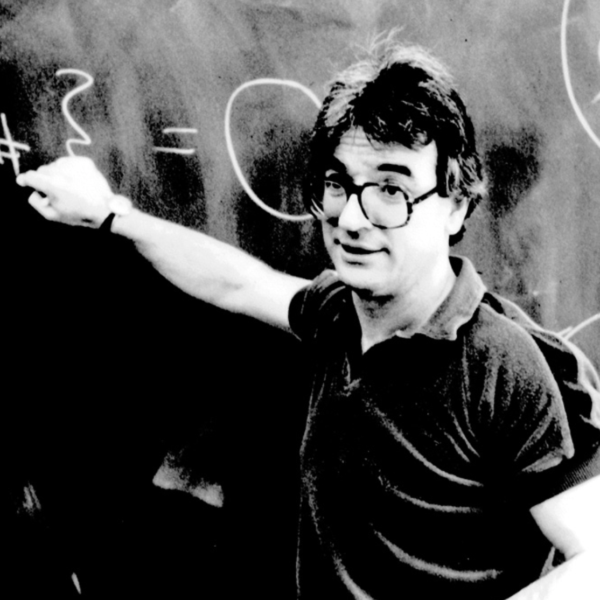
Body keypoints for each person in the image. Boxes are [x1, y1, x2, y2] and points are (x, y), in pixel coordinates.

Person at [17, 37, 600, 600]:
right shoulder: (336, 312)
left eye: (391, 190)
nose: (352, 219)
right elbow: (239, 282)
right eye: (338, 184)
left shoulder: (502, 367)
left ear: (455, 206)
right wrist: (110, 216)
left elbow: (594, 562)